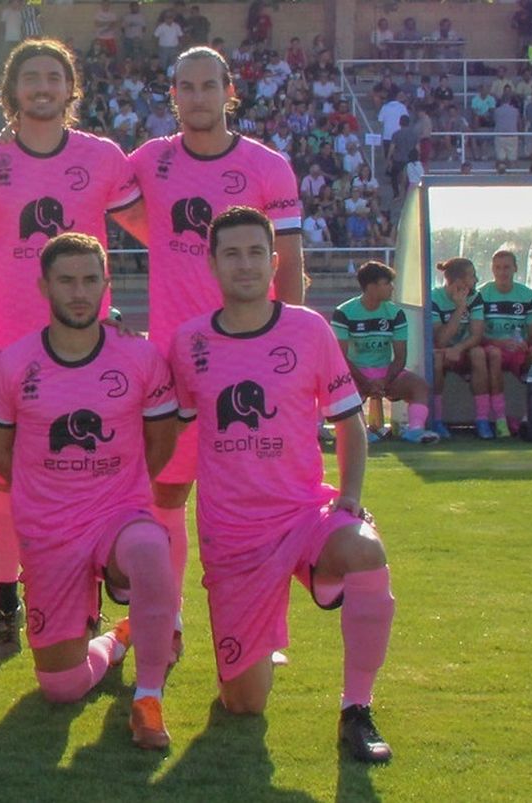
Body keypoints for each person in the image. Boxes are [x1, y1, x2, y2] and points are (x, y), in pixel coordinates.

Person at [0, 38, 143, 656]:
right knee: (5, 482)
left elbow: (156, 229)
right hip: (6, 345)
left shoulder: (103, 158)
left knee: (86, 472)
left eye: (54, 75)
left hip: (88, 344)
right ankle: (7, 601)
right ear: (12, 91)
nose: (43, 86)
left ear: (70, 88)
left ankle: (84, 606)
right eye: (31, 77)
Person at [169, 206, 396, 764]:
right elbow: (167, 430)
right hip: (233, 537)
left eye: (254, 253)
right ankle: (283, 616)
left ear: (273, 262)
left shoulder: (308, 328)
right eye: (231, 253)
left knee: (365, 551)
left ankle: (356, 710)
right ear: (212, 264)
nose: (244, 264)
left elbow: (349, 421)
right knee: (244, 705)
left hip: (303, 514)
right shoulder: (189, 342)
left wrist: (350, 498)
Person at [119, 45, 304, 662]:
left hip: (252, 364)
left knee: (255, 501)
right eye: (185, 87)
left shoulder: (267, 166)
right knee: (165, 496)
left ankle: (265, 629)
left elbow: (292, 271)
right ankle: (166, 619)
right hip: (174, 364)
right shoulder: (148, 161)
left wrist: (289, 347)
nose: (196, 97)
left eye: (207, 85)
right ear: (173, 95)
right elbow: (135, 217)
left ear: (230, 91)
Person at [0, 232, 180, 749]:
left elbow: (160, 444)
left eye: (91, 279)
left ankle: (148, 699)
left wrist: (121, 490)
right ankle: (115, 638)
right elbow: (0, 456)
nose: (79, 292)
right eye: (66, 280)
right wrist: (49, 494)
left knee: (152, 550)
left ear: (106, 284)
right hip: (48, 531)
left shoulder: (139, 358)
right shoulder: (12, 365)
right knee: (61, 688)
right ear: (44, 285)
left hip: (118, 515)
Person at [332, 261, 440, 444]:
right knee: (341, 390)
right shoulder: (344, 312)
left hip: (385, 373)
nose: (392, 288)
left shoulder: (395, 313)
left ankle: (415, 431)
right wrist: (365, 382)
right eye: (387, 283)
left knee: (419, 386)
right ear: (371, 287)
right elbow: (340, 357)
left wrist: (383, 381)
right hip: (355, 373)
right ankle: (359, 432)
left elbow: (400, 357)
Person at [478, 249, 532, 435]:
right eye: (498, 268)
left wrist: (523, 342)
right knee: (494, 354)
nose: (502, 272)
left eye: (506, 267)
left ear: (515, 269)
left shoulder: (528, 295)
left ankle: (529, 417)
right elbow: (476, 334)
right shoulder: (481, 295)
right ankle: (500, 420)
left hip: (517, 348)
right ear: (492, 270)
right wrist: (499, 342)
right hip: (493, 347)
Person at [427, 257, 487, 440]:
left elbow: (477, 335)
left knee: (479, 354)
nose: (476, 280)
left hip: (463, 350)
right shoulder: (433, 298)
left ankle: (483, 419)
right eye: (472, 276)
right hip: (442, 352)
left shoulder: (475, 297)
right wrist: (460, 307)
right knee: (436, 359)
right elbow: (441, 340)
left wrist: (459, 348)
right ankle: (436, 420)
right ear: (459, 281)